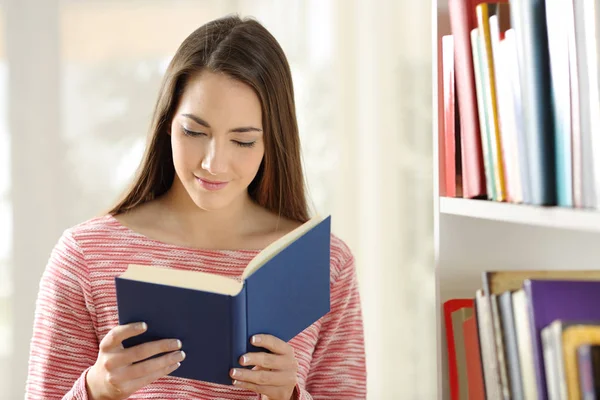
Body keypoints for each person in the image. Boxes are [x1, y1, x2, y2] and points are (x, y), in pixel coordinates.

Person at [25, 14, 366, 400]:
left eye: (243, 141)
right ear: (167, 124)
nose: (213, 163)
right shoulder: (85, 256)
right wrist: (97, 388)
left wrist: (289, 395)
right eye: (194, 132)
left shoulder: (323, 264)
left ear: (273, 141)